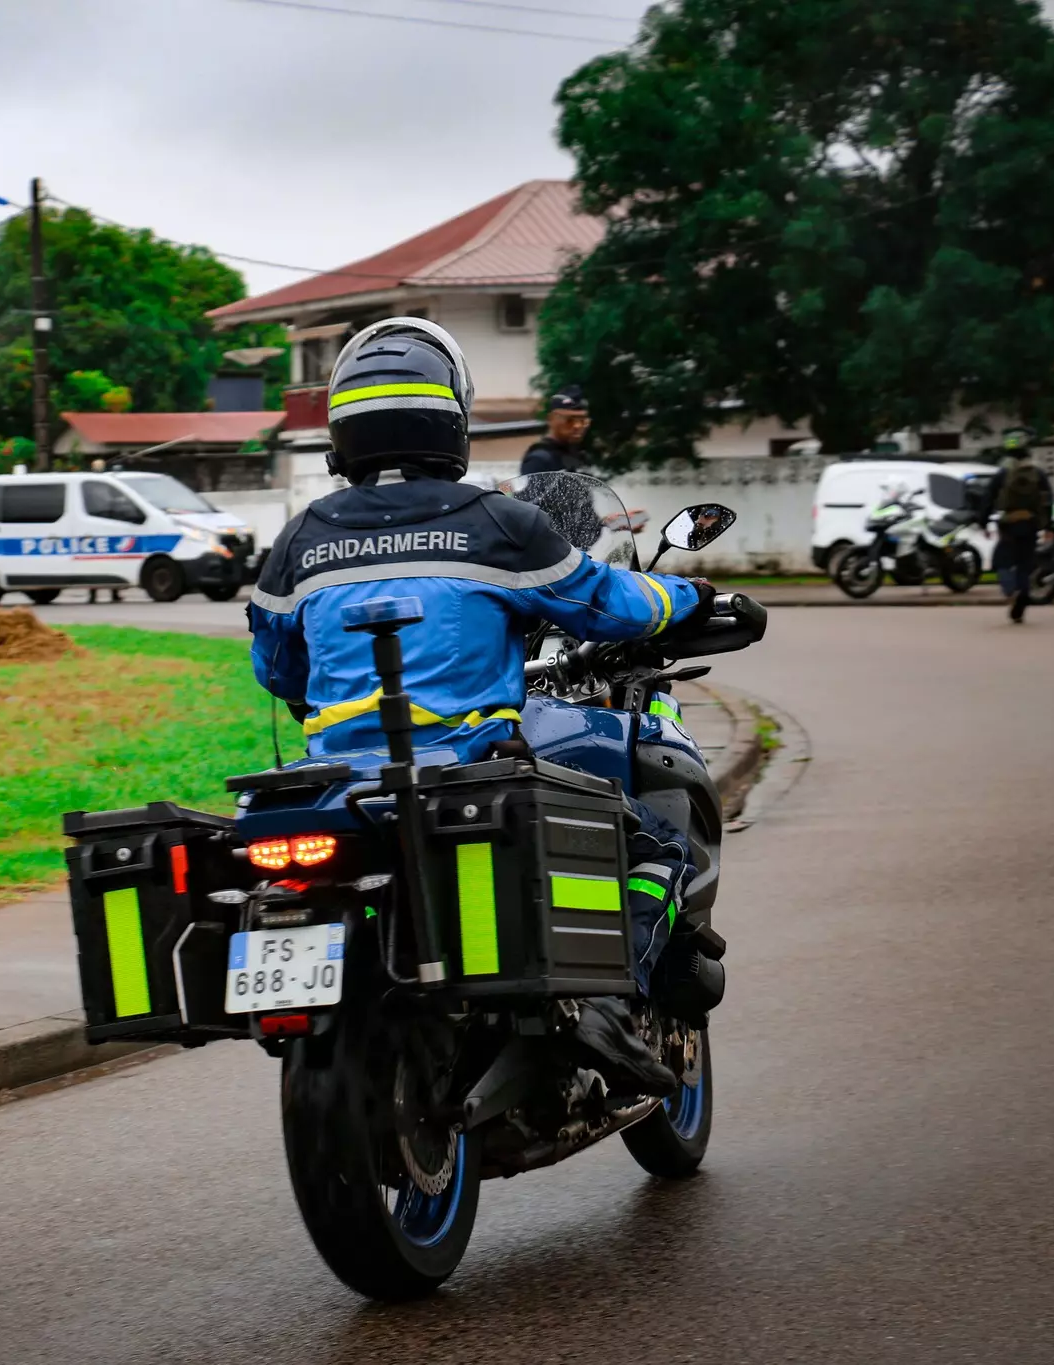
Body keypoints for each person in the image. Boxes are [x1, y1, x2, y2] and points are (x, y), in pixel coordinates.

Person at [248, 318, 712, 1096]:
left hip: (332, 785)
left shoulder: (300, 537)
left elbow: (277, 666)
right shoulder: (495, 522)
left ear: (342, 430)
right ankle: (604, 999)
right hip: (471, 768)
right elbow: (613, 605)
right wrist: (691, 598)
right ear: (451, 418)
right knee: (655, 847)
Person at [989, 429, 1050, 623]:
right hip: (1031, 524)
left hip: (1009, 524)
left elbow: (988, 496)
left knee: (1002, 560)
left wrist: (981, 520)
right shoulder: (1037, 473)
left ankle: (1010, 591)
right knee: (1025, 564)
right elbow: (1048, 500)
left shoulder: (1003, 473)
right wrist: (1048, 526)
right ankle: (1023, 593)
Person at [519, 386, 591, 476]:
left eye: (582, 421)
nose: (577, 426)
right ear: (551, 419)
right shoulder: (540, 459)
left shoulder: (578, 454)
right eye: (569, 420)